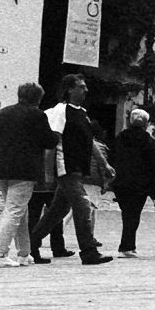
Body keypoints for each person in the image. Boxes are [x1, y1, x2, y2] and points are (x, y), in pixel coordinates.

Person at [32, 74, 111, 265]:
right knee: (83, 206)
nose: (86, 90)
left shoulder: (82, 112)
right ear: (70, 90)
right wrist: (48, 173)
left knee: (56, 212)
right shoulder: (61, 111)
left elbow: (89, 141)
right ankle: (88, 251)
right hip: (66, 167)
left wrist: (104, 163)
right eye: (81, 87)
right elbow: (53, 141)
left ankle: (31, 243)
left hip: (77, 169)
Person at [0, 83, 52, 268]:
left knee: (21, 211)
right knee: (14, 211)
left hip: (0, 170)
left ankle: (24, 253)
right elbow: (49, 141)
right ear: (38, 99)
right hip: (25, 171)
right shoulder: (38, 115)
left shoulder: (2, 113)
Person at [110, 108, 155, 257]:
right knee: (133, 214)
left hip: (121, 182)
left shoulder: (120, 138)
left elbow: (112, 158)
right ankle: (126, 246)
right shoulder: (149, 142)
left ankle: (129, 244)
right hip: (141, 184)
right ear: (146, 123)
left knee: (127, 213)